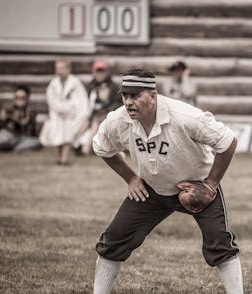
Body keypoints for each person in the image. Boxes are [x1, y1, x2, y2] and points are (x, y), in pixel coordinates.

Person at [92, 69, 243, 294]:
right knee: (113, 240)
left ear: (152, 95)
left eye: (135, 96)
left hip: (197, 187)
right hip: (151, 190)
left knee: (219, 243)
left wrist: (210, 184)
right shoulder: (118, 120)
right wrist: (131, 178)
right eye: (125, 96)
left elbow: (227, 141)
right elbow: (101, 147)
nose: (129, 102)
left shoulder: (184, 116)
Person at [39, 59, 89, 165]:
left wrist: (72, 110)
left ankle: (64, 158)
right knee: (58, 136)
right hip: (57, 115)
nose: (59, 71)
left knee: (68, 136)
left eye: (62, 68)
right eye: (57, 69)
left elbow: (80, 100)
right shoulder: (54, 84)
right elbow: (51, 99)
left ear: (68, 69)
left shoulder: (75, 83)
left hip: (71, 115)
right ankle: (59, 157)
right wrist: (59, 108)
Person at [75, 60, 120, 155]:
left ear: (107, 72)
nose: (100, 74)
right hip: (91, 113)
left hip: (106, 114)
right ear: (94, 72)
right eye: (98, 72)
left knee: (95, 123)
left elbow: (117, 103)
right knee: (85, 123)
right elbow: (84, 102)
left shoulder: (113, 87)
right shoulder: (90, 86)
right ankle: (75, 142)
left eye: (102, 72)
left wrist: (106, 105)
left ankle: (85, 147)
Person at [0, 85, 41, 152]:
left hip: (22, 137)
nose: (19, 100)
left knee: (36, 143)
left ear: (27, 98)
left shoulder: (31, 110)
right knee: (1, 141)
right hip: (7, 134)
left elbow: (28, 125)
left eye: (22, 98)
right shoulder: (8, 107)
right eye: (17, 97)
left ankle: (10, 148)